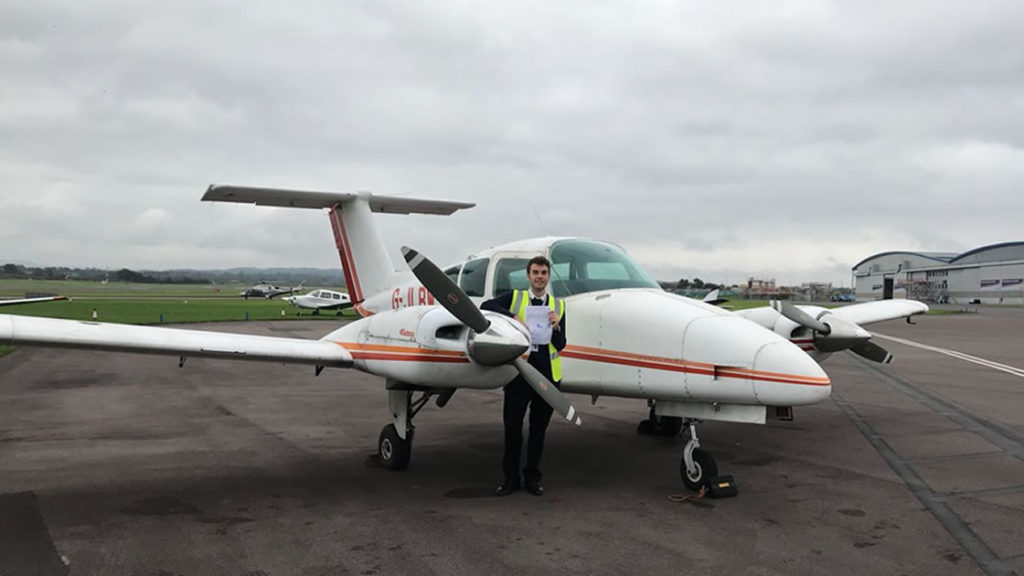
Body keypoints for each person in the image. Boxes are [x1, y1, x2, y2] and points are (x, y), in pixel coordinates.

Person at [481, 255, 566, 496]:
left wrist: (557, 326)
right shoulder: (514, 298)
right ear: (528, 276)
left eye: (544, 273)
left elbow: (560, 345)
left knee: (538, 431)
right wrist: (512, 316)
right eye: (536, 272)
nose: (540, 277)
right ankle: (510, 479)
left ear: (548, 277)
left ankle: (532, 478)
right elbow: (486, 306)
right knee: (512, 430)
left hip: (547, 377)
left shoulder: (558, 306)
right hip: (519, 374)